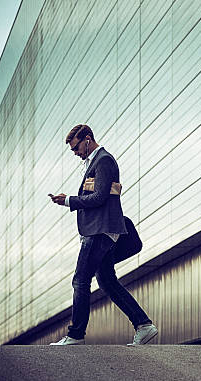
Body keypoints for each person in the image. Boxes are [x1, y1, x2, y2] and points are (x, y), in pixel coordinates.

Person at [49, 124, 158, 346]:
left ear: (87, 139)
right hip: (99, 230)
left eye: (76, 147)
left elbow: (99, 198)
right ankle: (143, 324)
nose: (76, 153)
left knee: (80, 280)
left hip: (100, 231)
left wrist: (68, 200)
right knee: (106, 280)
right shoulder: (96, 163)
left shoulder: (104, 161)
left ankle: (76, 335)